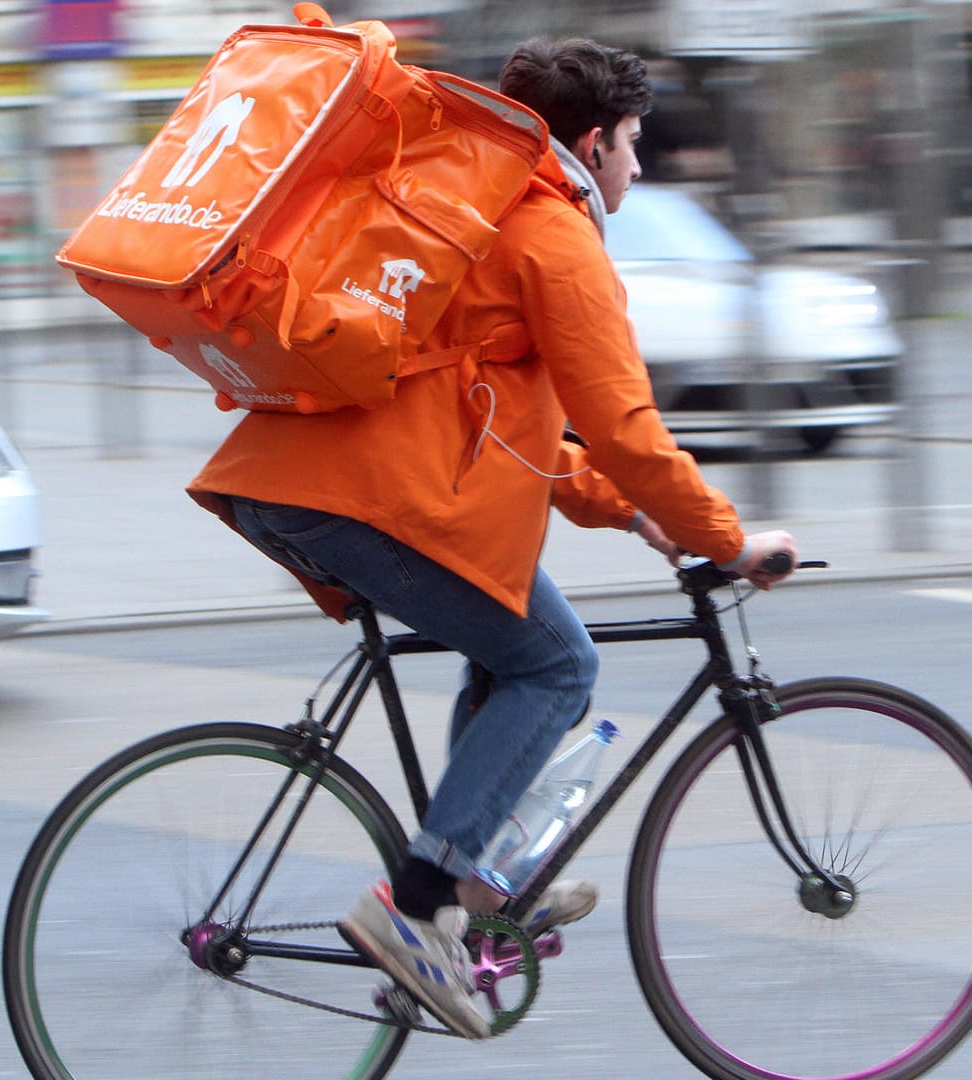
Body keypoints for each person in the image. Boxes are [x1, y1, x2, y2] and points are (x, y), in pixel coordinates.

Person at [186, 35, 796, 1039]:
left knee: (516, 635)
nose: (638, 167)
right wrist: (725, 540)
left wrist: (633, 510)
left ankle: (472, 886)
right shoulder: (552, 237)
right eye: (635, 144)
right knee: (555, 666)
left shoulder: (482, 211)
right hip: (360, 500)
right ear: (592, 143)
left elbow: (508, 430)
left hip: (309, 482)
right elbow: (627, 429)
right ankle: (422, 905)